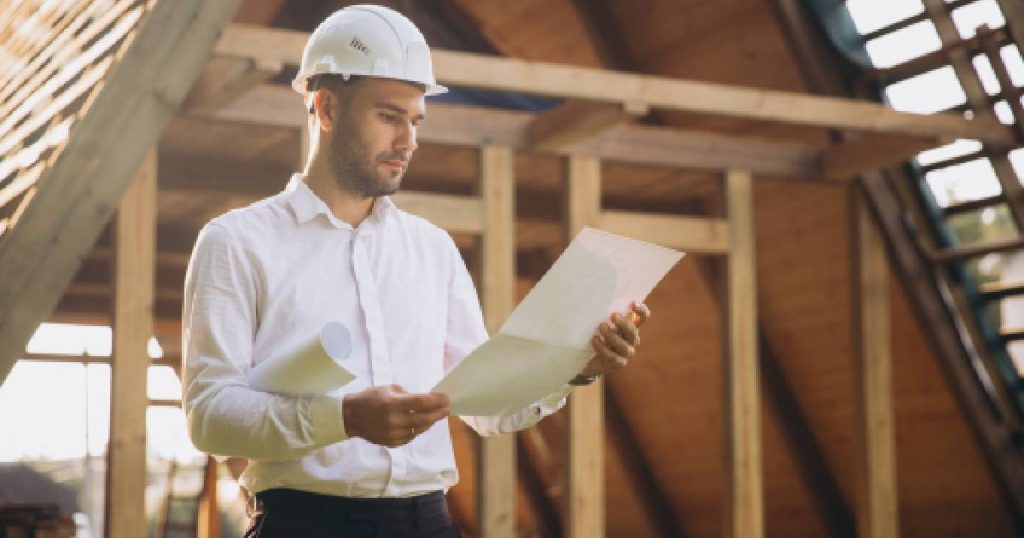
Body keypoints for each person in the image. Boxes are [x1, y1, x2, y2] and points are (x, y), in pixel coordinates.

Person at [181, 5, 650, 537]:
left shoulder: (433, 249)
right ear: (327, 108)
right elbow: (210, 417)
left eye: (415, 120)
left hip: (429, 523)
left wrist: (576, 363)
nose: (408, 141)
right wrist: (347, 419)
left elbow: (487, 408)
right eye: (388, 116)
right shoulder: (236, 242)